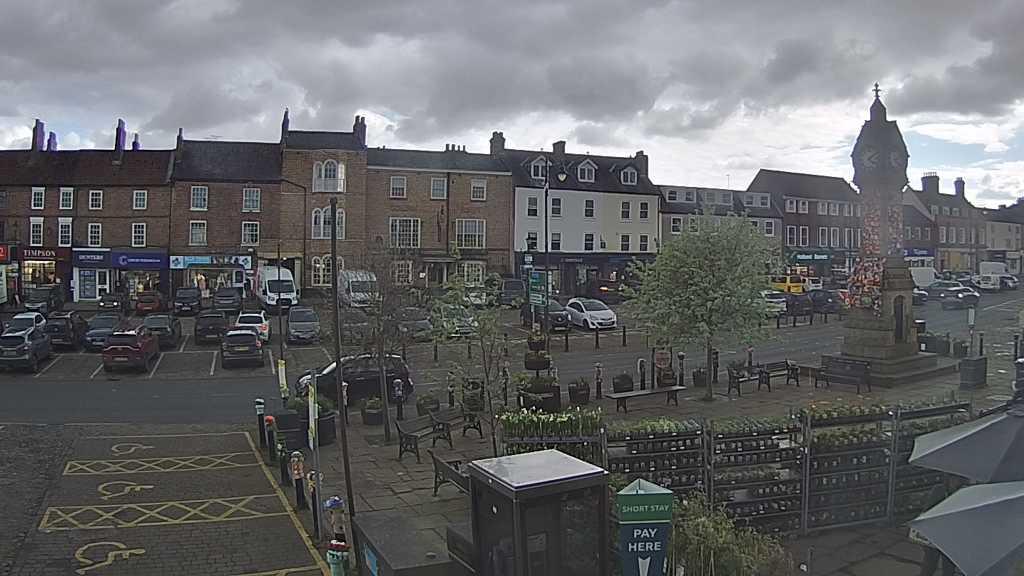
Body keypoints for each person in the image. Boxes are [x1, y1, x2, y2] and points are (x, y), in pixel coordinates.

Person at [918, 475, 962, 576]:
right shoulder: (939, 490)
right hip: (935, 533)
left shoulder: (963, 492)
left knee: (948, 567)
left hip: (951, 536)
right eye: (954, 479)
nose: (956, 481)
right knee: (930, 565)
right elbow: (927, 510)